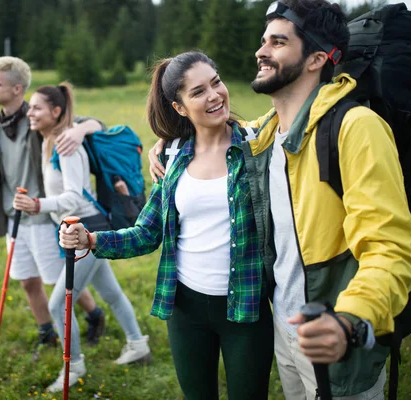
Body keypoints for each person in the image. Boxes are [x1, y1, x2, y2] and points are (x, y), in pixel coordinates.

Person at [148, 2, 411, 399]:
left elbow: (394, 248)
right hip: (285, 328)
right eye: (263, 40)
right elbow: (217, 131)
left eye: (278, 42)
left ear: (316, 58)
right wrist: (172, 141)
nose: (261, 51)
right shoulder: (265, 133)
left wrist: (351, 320)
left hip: (334, 331)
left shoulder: (355, 128)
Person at [60, 51, 273, 400]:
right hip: (185, 309)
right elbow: (147, 233)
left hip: (246, 310)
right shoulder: (172, 157)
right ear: (179, 107)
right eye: (198, 91)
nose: (215, 95)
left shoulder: (257, 146)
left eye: (216, 83)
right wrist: (90, 238)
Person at [0, 56, 106, 360]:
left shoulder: (39, 116)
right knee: (28, 281)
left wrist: (81, 130)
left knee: (56, 281)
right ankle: (46, 334)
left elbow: (94, 124)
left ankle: (94, 314)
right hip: (13, 218)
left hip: (42, 215)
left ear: (17, 89)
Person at [12, 82, 151, 393]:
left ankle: (73, 366)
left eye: (36, 107)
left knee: (59, 301)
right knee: (111, 292)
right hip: (80, 228)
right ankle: (138, 344)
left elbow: (74, 198)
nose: (29, 112)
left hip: (87, 228)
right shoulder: (50, 140)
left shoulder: (66, 145)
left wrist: (38, 205)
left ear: (56, 111)